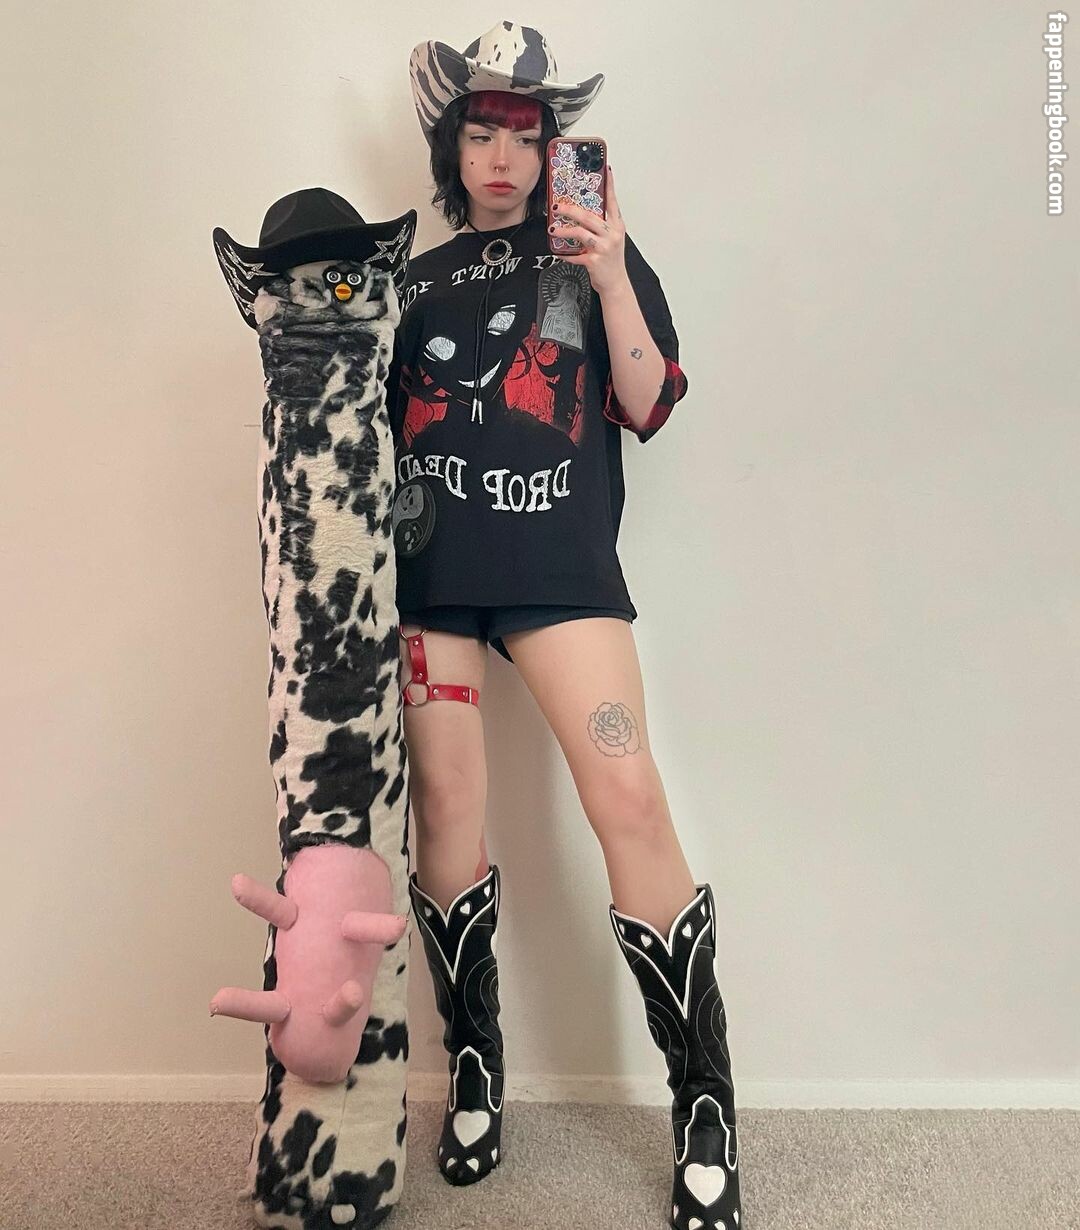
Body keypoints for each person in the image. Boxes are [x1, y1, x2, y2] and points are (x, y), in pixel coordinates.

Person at [391, 22, 744, 1230]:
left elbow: (647, 401)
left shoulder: (595, 254)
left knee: (628, 798)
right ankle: (475, 1063)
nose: (501, 158)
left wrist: (608, 271)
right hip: (433, 578)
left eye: (524, 136)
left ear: (555, 152)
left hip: (558, 567)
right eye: (480, 133)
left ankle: (704, 1099)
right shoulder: (415, 282)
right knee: (446, 808)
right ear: (453, 147)